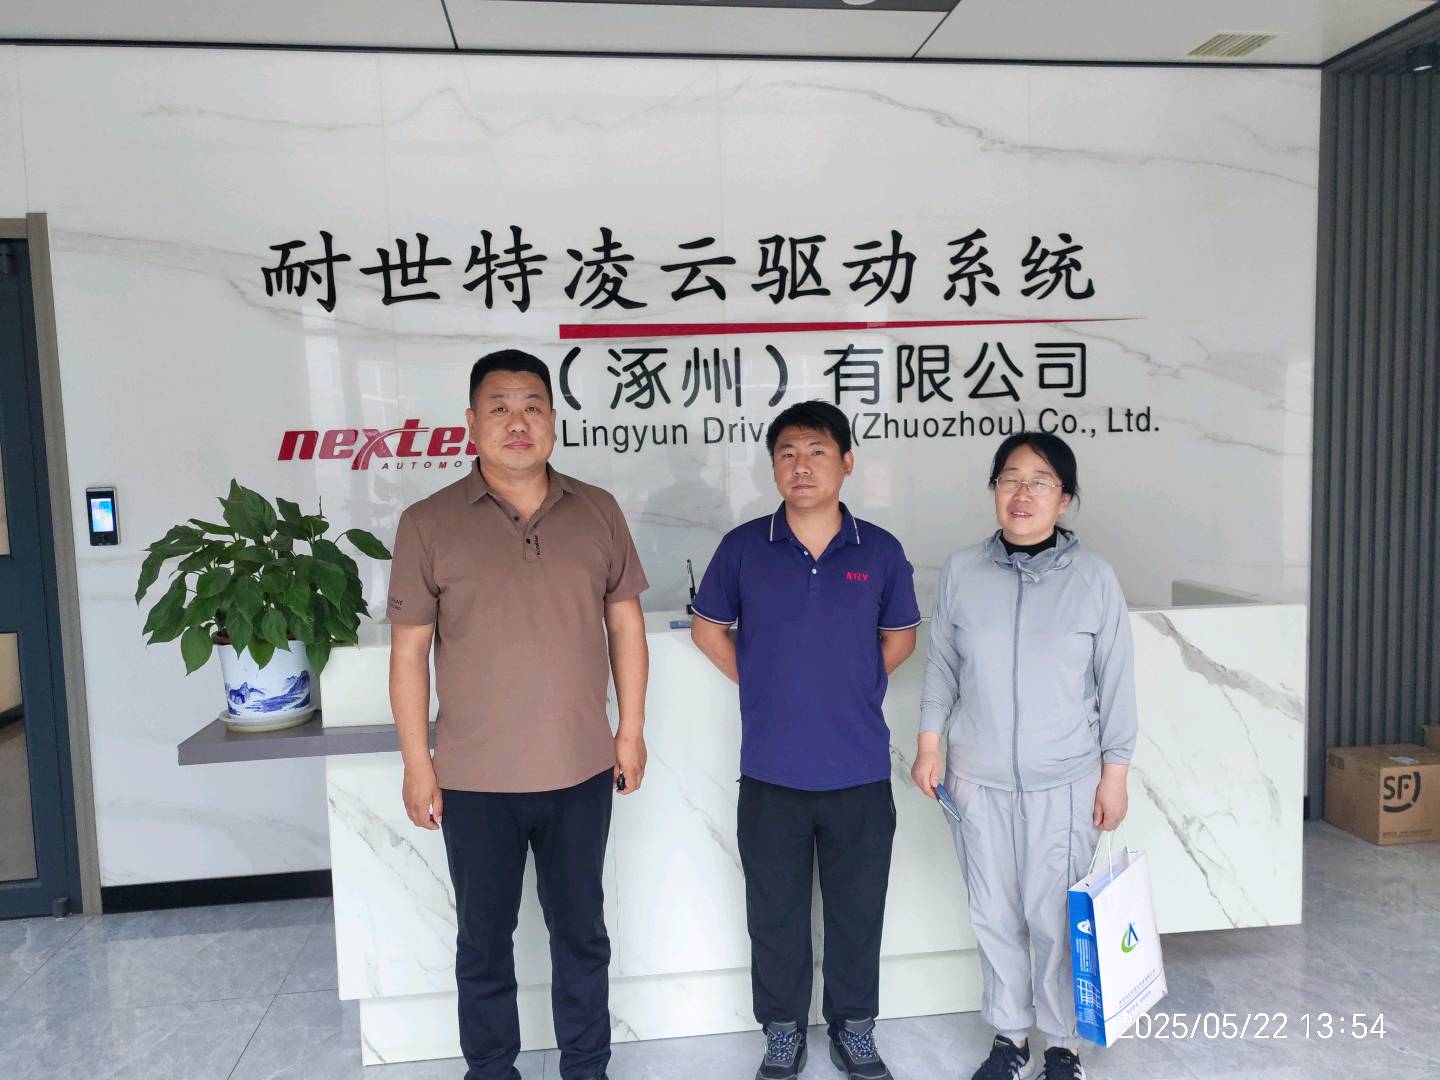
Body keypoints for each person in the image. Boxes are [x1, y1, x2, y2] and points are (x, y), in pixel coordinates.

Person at [386, 349, 650, 1080]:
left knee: (582, 936)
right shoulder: (428, 522)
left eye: (532, 406)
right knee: (483, 943)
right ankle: (491, 1070)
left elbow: (625, 625)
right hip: (473, 778)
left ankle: (586, 1069)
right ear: (471, 423)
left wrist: (629, 730)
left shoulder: (597, 510)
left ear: (554, 420)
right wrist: (417, 764)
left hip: (581, 767)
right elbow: (409, 653)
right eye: (499, 407)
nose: (517, 422)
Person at [690, 400, 921, 1080]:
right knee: (775, 914)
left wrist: (848, 684)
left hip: (858, 769)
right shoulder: (743, 548)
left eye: (817, 451)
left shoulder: (879, 550)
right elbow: (708, 630)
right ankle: (783, 1031)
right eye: (787, 453)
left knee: (857, 913)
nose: (801, 465)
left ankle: (855, 1028)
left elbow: (901, 638)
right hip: (771, 771)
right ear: (772, 467)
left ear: (847, 462)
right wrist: (763, 680)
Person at [911, 432, 1137, 1080]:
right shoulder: (962, 571)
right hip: (975, 779)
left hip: (1064, 781)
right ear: (994, 490)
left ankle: (1062, 1046)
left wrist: (1115, 774)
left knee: (1056, 919)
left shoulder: (1093, 579)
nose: (1022, 493)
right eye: (1010, 478)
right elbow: (942, 666)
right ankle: (1010, 1039)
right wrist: (929, 743)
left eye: (1040, 482)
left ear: (1064, 499)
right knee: (994, 915)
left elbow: (1116, 681)